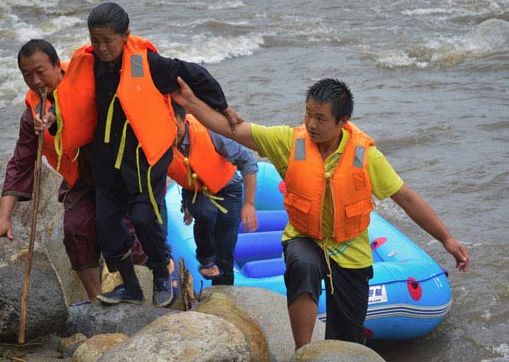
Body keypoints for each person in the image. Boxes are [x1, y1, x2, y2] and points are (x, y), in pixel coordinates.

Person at [175, 75, 469, 350]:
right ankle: (304, 353)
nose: (311, 124)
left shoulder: (365, 156)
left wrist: (447, 240)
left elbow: (405, 198)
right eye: (308, 114)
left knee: (348, 339)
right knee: (303, 266)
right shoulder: (289, 141)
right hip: (305, 237)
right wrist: (191, 103)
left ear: (342, 121)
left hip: (351, 247)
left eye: (320, 118)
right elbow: (233, 130)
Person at [48, 2, 229, 309]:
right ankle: (130, 286)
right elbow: (68, 98)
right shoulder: (89, 62)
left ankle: (161, 271)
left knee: (145, 217)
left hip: (143, 161)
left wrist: (221, 107)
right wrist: (52, 117)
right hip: (107, 163)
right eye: (96, 40)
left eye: (109, 41)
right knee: (106, 226)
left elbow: (193, 74)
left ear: (126, 35)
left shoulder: (146, 63)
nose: (102, 48)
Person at [0, 38, 102, 300]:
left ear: (57, 66)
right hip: (79, 178)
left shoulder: (87, 83)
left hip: (113, 173)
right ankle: (96, 300)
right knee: (75, 229)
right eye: (26, 75)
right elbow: (21, 162)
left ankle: (152, 283)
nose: (34, 81)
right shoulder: (32, 113)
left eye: (40, 72)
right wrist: (4, 217)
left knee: (123, 227)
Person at [169, 101, 258, 284]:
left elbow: (248, 161)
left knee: (226, 248)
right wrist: (187, 205)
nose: (171, 132)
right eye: (165, 126)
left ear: (183, 120)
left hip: (229, 189)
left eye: (174, 125)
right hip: (196, 192)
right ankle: (206, 259)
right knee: (205, 212)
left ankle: (223, 296)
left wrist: (249, 204)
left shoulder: (209, 131)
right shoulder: (158, 143)